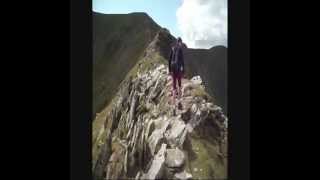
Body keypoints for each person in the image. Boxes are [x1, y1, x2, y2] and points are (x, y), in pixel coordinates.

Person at [169, 37, 185, 101]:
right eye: (181, 42)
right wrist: (183, 70)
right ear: (180, 42)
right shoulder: (180, 49)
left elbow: (169, 60)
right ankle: (179, 97)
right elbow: (182, 60)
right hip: (177, 67)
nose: (181, 44)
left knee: (174, 82)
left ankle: (173, 99)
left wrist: (169, 70)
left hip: (172, 67)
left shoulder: (173, 48)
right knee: (179, 81)